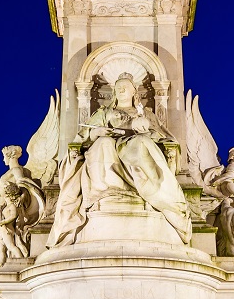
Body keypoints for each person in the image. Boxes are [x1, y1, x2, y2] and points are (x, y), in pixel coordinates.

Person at [49, 74, 190, 246]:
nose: (121, 90)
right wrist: (96, 133)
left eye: (125, 87)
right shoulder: (104, 113)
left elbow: (163, 137)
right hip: (109, 147)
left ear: (134, 92)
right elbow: (81, 138)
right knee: (104, 143)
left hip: (134, 146)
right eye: (118, 87)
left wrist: (144, 128)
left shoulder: (145, 113)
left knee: (142, 143)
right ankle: (108, 192)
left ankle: (155, 193)